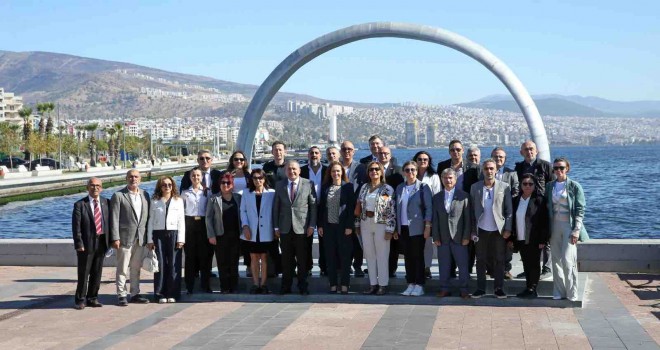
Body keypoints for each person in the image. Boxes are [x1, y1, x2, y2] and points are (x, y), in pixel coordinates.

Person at [469, 159, 513, 299]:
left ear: (496, 170)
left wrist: (508, 229)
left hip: (498, 230)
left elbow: (509, 211)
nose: (489, 171)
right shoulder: (475, 187)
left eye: (491, 169)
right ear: (483, 170)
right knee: (480, 259)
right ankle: (480, 288)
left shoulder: (504, 187)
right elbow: (471, 211)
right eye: (486, 169)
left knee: (499, 259)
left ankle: (498, 288)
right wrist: (472, 230)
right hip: (480, 229)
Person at [273, 160, 317, 295]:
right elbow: (276, 207)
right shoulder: (280, 185)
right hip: (285, 227)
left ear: (299, 171)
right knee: (286, 259)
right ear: (286, 171)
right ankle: (286, 286)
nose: (291, 171)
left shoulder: (308, 184)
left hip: (302, 227)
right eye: (289, 169)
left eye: (294, 169)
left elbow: (313, 206)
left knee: (302, 259)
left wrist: (311, 225)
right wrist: (275, 227)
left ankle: (303, 286)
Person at [546, 157, 588, 301]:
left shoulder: (575, 186)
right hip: (554, 227)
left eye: (561, 168)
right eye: (556, 168)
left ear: (567, 168)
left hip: (569, 226)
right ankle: (559, 292)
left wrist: (576, 230)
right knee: (556, 261)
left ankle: (572, 293)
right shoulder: (549, 186)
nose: (558, 171)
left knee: (568, 260)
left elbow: (580, 209)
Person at [110, 170, 151, 306]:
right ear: (126, 178)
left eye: (136, 177)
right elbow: (114, 219)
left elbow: (148, 218)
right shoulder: (119, 195)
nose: (133, 179)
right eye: (131, 177)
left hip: (140, 238)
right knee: (122, 268)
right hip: (124, 238)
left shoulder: (145, 195)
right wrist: (115, 238)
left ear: (140, 179)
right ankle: (121, 294)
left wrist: (149, 238)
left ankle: (135, 293)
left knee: (136, 267)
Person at [515, 140, 555, 277]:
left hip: (542, 206)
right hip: (526, 205)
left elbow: (552, 185)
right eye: (526, 149)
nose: (529, 151)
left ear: (536, 151)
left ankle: (547, 267)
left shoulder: (545, 166)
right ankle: (529, 268)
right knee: (528, 238)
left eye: (531, 149)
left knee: (544, 237)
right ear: (521, 152)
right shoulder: (519, 168)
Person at [355, 161, 396, 295]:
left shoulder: (387, 189)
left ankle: (383, 285)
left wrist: (390, 229)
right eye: (371, 169)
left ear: (381, 172)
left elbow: (391, 210)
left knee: (382, 255)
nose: (374, 172)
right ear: (368, 172)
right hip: (365, 223)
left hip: (381, 224)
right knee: (369, 255)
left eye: (377, 169)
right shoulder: (364, 188)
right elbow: (359, 208)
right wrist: (357, 225)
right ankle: (373, 284)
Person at [72, 177, 111, 310]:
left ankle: (92, 298)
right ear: (87, 187)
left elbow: (110, 223)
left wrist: (111, 241)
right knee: (84, 273)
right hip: (86, 244)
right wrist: (79, 243)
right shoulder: (80, 204)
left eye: (98, 186)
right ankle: (80, 299)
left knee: (97, 272)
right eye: (92, 185)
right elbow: (76, 227)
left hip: (102, 242)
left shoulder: (107, 203)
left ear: (102, 188)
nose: (95, 188)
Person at [432, 169, 471, 299]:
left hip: (459, 237)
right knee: (443, 265)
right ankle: (444, 288)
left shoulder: (464, 196)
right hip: (442, 237)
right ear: (442, 179)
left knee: (463, 265)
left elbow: (468, 218)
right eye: (445, 178)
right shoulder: (437, 197)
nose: (448, 180)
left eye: (450, 178)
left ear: (455, 179)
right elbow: (435, 218)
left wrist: (466, 236)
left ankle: (464, 289)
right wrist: (436, 236)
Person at [395, 161, 433, 297]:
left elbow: (429, 208)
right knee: (407, 257)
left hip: (417, 228)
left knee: (418, 256)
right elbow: (396, 209)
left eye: (412, 170)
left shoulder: (423, 187)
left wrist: (427, 226)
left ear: (417, 171)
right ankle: (410, 283)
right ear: (403, 172)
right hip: (403, 228)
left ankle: (419, 284)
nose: (410, 173)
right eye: (407, 170)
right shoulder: (400, 188)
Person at [317, 161, 355, 294]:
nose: (336, 173)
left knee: (345, 257)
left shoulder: (348, 187)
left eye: (338, 171)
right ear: (330, 173)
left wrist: (350, 226)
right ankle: (333, 284)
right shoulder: (325, 187)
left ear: (342, 172)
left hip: (344, 227)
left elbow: (351, 208)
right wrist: (320, 225)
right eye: (333, 171)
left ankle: (345, 284)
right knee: (330, 256)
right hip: (328, 227)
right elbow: (321, 208)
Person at [146, 176, 185, 303]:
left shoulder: (178, 200)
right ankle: (160, 293)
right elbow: (150, 220)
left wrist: (181, 239)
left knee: (174, 264)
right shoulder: (155, 201)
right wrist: (150, 240)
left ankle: (173, 293)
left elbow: (181, 221)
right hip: (158, 234)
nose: (167, 187)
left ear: (173, 186)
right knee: (160, 264)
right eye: (164, 185)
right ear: (160, 187)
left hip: (174, 233)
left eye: (169, 184)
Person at [513, 173, 548, 298]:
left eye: (530, 184)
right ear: (521, 185)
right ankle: (528, 287)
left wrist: (543, 239)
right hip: (521, 238)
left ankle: (533, 289)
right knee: (526, 264)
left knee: (534, 264)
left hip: (534, 238)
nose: (527, 186)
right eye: (525, 184)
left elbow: (544, 221)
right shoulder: (517, 199)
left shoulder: (539, 200)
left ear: (534, 185)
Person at [240, 169, 275, 294]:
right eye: (255, 178)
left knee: (264, 257)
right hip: (251, 229)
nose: (258, 180)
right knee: (253, 257)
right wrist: (245, 226)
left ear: (264, 179)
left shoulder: (271, 193)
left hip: (266, 229)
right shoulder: (246, 193)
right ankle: (255, 284)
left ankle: (264, 284)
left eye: (260, 178)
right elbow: (242, 210)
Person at [206, 173, 242, 294]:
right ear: (219, 185)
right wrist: (211, 235)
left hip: (236, 235)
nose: (225, 185)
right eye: (223, 183)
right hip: (220, 235)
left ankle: (235, 287)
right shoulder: (214, 198)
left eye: (228, 183)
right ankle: (224, 287)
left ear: (232, 185)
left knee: (234, 261)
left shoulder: (238, 198)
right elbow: (208, 218)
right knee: (222, 263)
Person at [181, 168, 212, 294]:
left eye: (198, 175)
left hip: (203, 224)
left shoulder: (207, 192)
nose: (196, 177)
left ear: (202, 177)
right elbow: (181, 210)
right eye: (193, 175)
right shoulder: (184, 193)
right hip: (189, 223)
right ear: (190, 177)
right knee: (190, 257)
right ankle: (189, 286)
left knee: (205, 257)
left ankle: (206, 285)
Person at [491, 146, 520, 280]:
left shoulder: (511, 173)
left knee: (507, 242)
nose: (498, 159)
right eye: (496, 157)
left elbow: (516, 190)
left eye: (501, 157)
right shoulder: (486, 172)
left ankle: (506, 269)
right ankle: (491, 269)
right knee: (490, 243)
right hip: (490, 214)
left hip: (506, 213)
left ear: (505, 159)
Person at [340, 140, 366, 277]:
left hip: (356, 209)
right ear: (340, 151)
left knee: (357, 240)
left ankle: (358, 266)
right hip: (340, 210)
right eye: (344, 149)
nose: (347, 151)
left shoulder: (361, 167)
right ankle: (345, 266)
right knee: (344, 241)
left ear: (354, 151)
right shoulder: (335, 166)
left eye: (349, 149)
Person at [300, 146, 327, 275]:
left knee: (324, 239)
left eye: (316, 153)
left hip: (324, 209)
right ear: (308, 156)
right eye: (311, 153)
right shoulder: (301, 171)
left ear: (320, 155)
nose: (314, 155)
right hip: (307, 209)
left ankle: (324, 266)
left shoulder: (327, 170)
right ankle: (307, 267)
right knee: (306, 240)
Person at [413, 150, 441, 279]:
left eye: (425, 159)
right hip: (412, 215)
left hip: (428, 214)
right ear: (416, 160)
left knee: (427, 243)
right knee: (415, 242)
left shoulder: (434, 176)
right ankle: (416, 266)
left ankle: (427, 267)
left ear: (429, 162)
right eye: (420, 159)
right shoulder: (410, 173)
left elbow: (437, 195)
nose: (422, 161)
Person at [377, 146, 404, 278]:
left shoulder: (398, 170)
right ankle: (379, 268)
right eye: (381, 153)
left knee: (392, 243)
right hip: (376, 213)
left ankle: (391, 269)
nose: (383, 155)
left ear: (390, 155)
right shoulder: (373, 168)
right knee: (378, 242)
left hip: (392, 211)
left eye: (386, 153)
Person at [262, 141, 287, 275]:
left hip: (285, 209)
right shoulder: (267, 167)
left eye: (280, 150)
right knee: (271, 241)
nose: (278, 152)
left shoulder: (289, 167)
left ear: (285, 151)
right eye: (275, 150)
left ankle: (288, 269)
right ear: (272, 152)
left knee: (287, 243)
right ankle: (273, 270)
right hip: (269, 208)